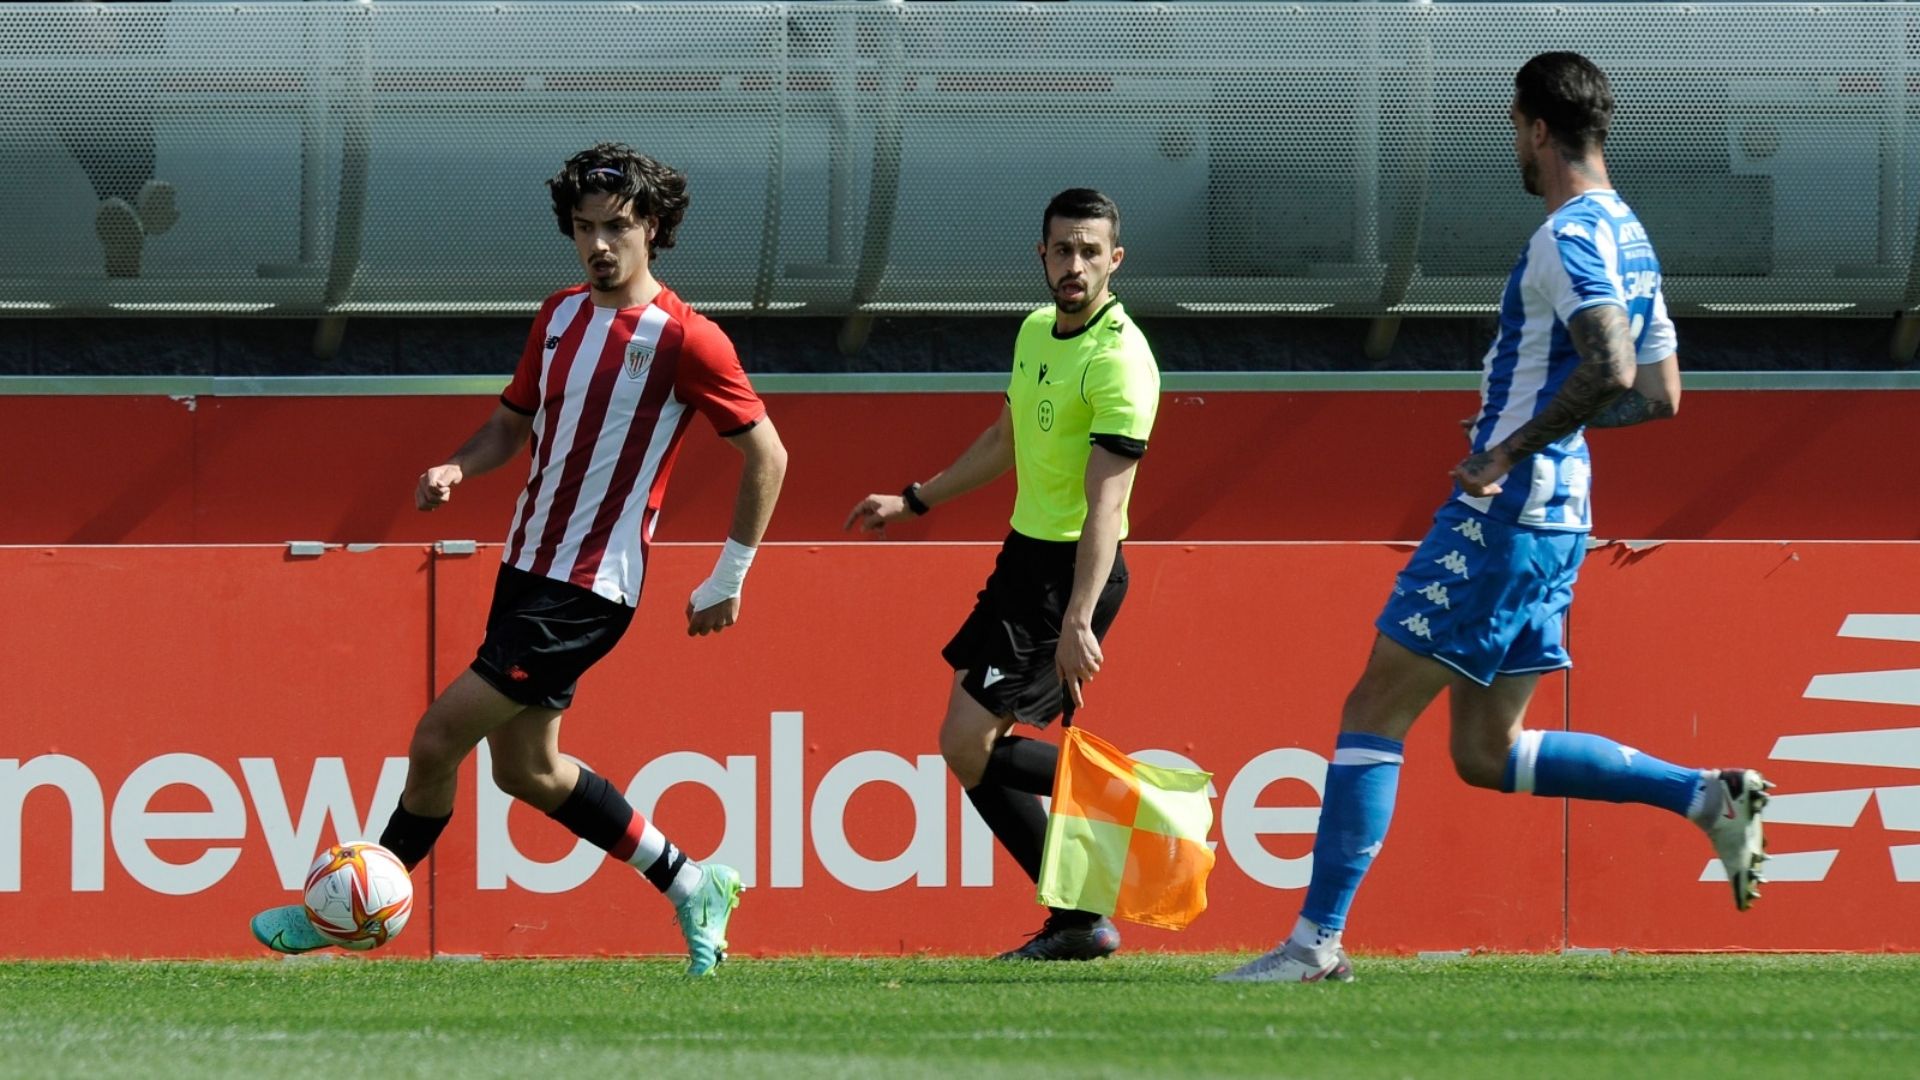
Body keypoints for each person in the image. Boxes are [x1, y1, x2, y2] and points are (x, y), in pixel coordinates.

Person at [1217, 53, 1771, 984]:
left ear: (1538, 129)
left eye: (1515, 127)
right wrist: (1531, 432)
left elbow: (1611, 367)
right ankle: (1705, 797)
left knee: (1373, 707)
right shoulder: (1630, 232)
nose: (1514, 144)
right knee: (1485, 750)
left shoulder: (1569, 234)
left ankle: (1313, 945)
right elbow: (1661, 393)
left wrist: (1508, 449)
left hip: (1505, 515)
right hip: (1560, 520)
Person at [249, 143, 788, 976]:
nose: (598, 244)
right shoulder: (560, 314)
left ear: (652, 226)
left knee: (436, 740)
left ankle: (349, 918)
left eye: (616, 226)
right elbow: (511, 425)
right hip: (528, 568)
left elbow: (768, 455)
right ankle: (694, 884)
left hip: (587, 587)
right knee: (528, 771)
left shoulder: (688, 339)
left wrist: (729, 577)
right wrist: (458, 467)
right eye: (583, 228)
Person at [846, 188, 1160, 961]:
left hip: (1071, 575)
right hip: (1023, 560)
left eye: (1091, 251)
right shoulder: (1034, 332)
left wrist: (1079, 617)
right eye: (1064, 249)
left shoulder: (1120, 360)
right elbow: (1002, 440)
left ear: (1115, 260)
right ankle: (1080, 914)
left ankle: (1128, 809)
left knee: (966, 745)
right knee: (966, 748)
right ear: (1042, 256)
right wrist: (915, 499)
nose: (1076, 264)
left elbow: (1106, 506)